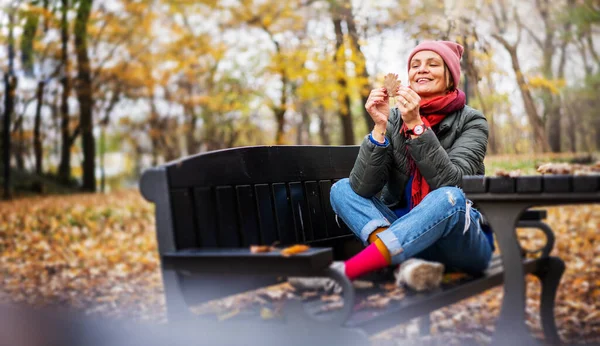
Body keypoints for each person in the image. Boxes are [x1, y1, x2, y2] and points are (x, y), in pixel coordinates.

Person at [327, 40, 494, 289]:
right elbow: (362, 188)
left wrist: (417, 126)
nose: (421, 69)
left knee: (449, 196)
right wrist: (380, 127)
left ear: (450, 77)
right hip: (407, 235)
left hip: (461, 242)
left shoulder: (472, 121)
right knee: (342, 189)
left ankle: (348, 272)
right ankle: (403, 260)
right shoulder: (394, 119)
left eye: (433, 64)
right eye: (415, 65)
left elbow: (455, 184)